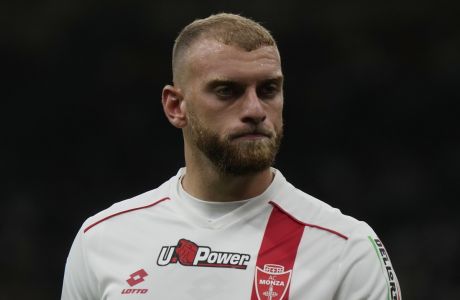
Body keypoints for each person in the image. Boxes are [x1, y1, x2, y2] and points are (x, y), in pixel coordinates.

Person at [61, 13, 402, 300]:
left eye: (268, 89)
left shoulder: (345, 250)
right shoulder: (103, 240)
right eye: (227, 90)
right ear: (176, 106)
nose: (255, 109)